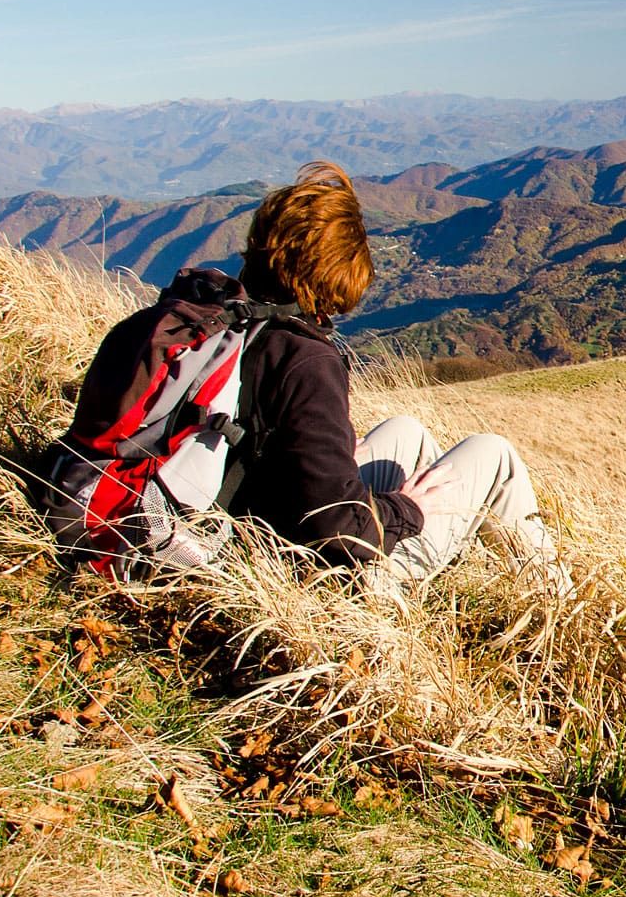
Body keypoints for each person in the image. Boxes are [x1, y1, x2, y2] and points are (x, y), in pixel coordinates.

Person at [227, 160, 563, 599]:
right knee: (494, 454)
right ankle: (557, 606)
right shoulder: (304, 360)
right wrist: (408, 509)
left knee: (406, 432)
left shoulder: (224, 325)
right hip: (321, 579)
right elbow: (336, 530)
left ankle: (445, 564)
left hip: (247, 528)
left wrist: (334, 454)